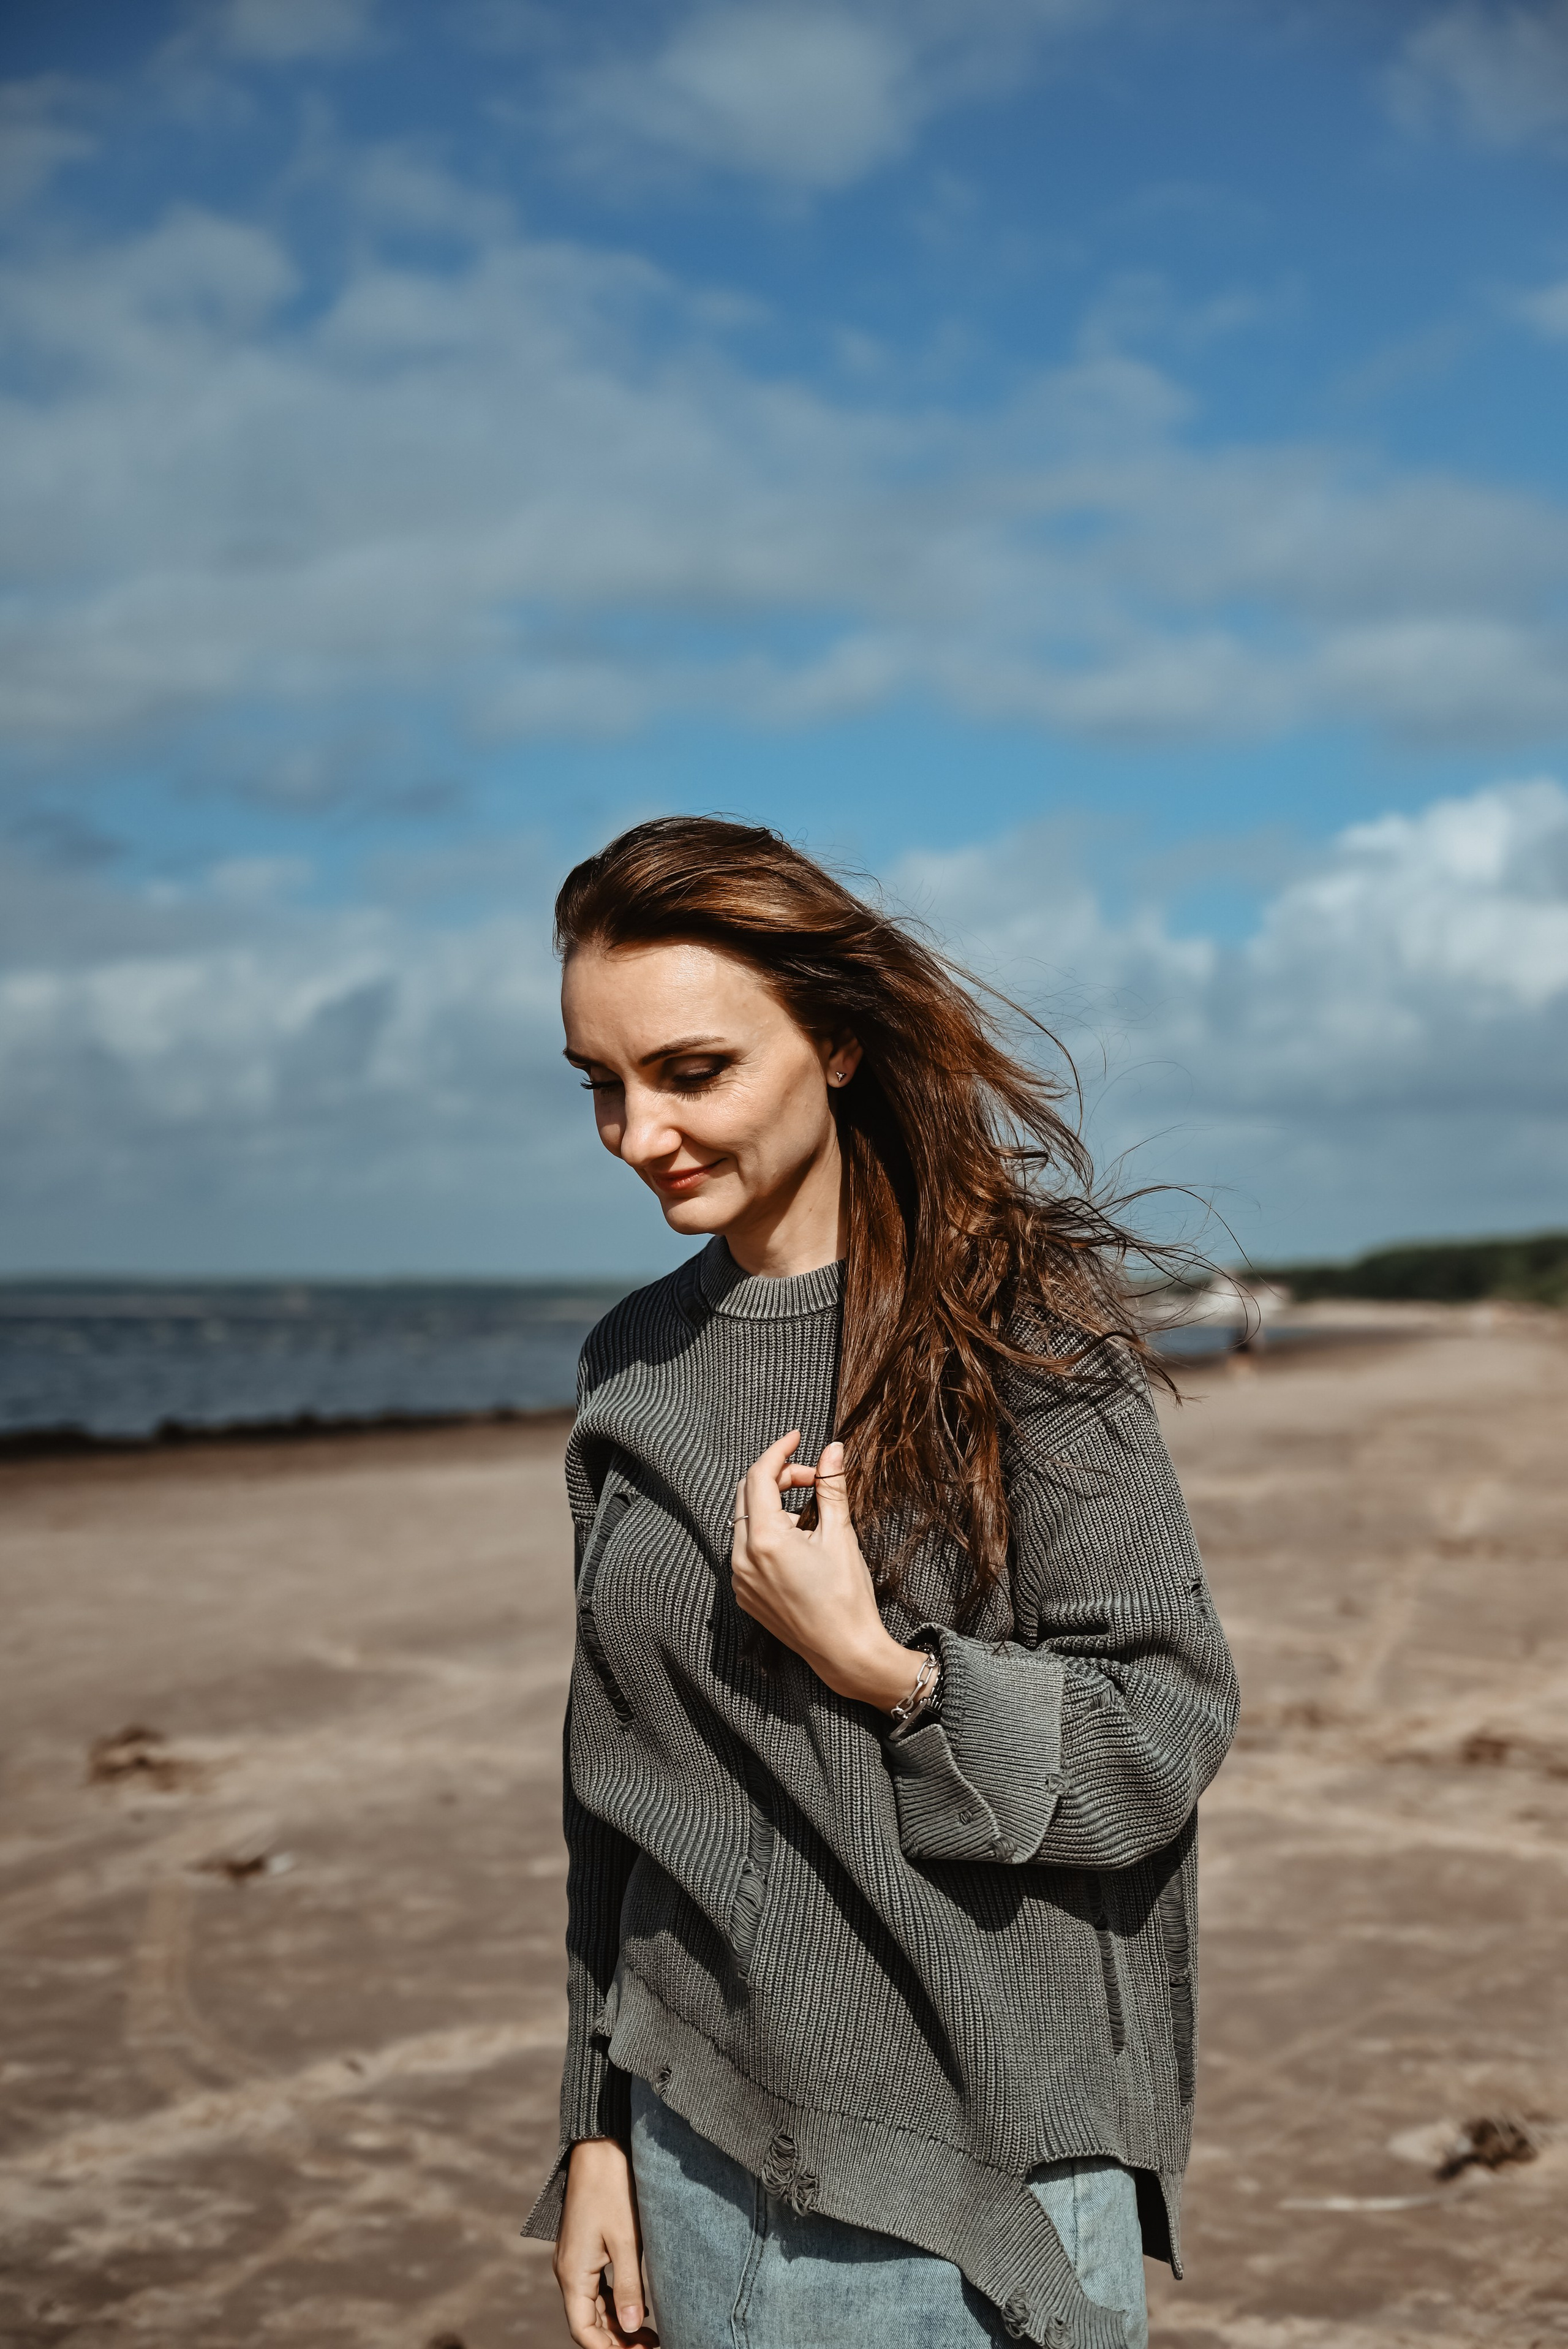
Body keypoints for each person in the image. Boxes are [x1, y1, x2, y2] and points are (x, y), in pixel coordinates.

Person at [525, 816, 1238, 2349]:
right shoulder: (629, 1362)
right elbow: (612, 1795)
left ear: (838, 1044)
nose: (637, 1133)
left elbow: (1158, 1733)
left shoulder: (1018, 1323)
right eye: (602, 1082)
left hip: (970, 2197)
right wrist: (592, 2128)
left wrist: (885, 1669)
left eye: (692, 1072)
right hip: (689, 2148)